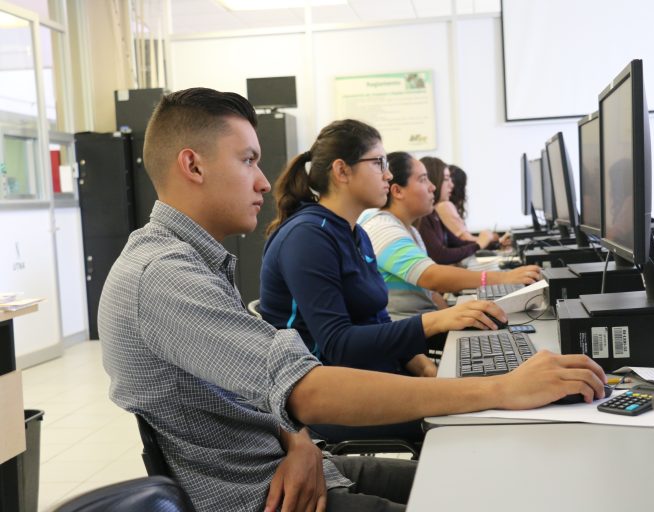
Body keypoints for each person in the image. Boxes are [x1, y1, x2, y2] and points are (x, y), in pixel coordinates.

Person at [98, 87, 607, 512]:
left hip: (294, 463)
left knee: (493, 487)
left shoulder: (194, 261)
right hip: (265, 498)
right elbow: (309, 388)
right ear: (193, 165)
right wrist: (500, 389)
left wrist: (298, 440)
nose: (262, 181)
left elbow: (260, 385)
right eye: (248, 160)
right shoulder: (162, 276)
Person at [259, 119, 508, 442]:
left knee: (486, 389)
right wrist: (434, 322)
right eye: (379, 163)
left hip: (371, 376)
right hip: (329, 399)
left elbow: (377, 319)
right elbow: (338, 345)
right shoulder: (308, 237)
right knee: (483, 409)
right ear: (342, 171)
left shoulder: (356, 233)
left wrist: (422, 367)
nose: (388, 175)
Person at [360, 152, 542, 320]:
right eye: (423, 180)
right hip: (406, 332)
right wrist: (502, 278)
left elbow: (431, 292)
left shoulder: (410, 230)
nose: (433, 187)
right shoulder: (382, 227)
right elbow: (432, 277)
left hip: (421, 323)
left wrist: (455, 318)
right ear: (398, 191)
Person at [417, 156, 492, 264]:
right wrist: (479, 244)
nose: (451, 185)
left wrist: (493, 243)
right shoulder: (422, 217)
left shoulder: (433, 213)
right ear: (434, 180)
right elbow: (440, 255)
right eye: (446, 179)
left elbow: (457, 243)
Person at [437, 164, 507, 247]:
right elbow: (465, 239)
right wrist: (492, 239)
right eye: (446, 179)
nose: (451, 185)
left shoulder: (444, 206)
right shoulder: (445, 206)